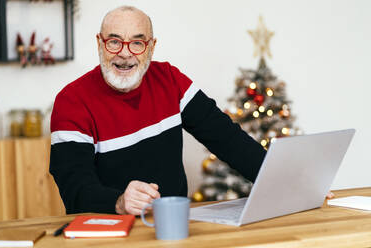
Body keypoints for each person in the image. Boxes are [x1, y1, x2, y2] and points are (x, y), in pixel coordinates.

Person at [50, 5, 269, 216]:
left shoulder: (170, 80)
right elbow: (74, 188)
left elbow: (228, 139)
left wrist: (278, 179)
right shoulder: (71, 101)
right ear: (99, 43)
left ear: (152, 47)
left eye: (137, 43)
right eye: (114, 42)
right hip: (107, 232)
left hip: (171, 225)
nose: (125, 54)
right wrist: (119, 202)